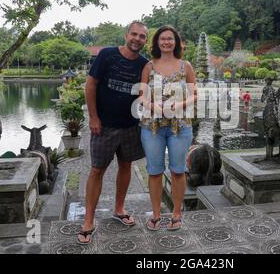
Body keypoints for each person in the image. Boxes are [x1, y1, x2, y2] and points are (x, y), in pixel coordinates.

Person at [77, 21, 149, 245]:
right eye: (134, 34)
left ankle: (119, 208)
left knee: (126, 166)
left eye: (142, 36)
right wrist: (93, 117)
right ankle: (89, 220)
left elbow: (147, 92)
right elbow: (90, 86)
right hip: (104, 125)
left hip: (130, 125)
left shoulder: (145, 64)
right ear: (126, 35)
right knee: (97, 169)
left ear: (145, 41)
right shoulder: (107, 55)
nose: (137, 39)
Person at [139, 25, 197, 231]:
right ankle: (156, 214)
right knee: (154, 171)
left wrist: (179, 105)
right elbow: (141, 95)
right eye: (162, 39)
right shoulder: (149, 66)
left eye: (170, 39)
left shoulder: (185, 66)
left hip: (180, 126)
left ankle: (177, 213)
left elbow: (194, 94)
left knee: (178, 171)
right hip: (151, 126)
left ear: (176, 42)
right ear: (156, 42)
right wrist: (152, 105)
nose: (166, 42)